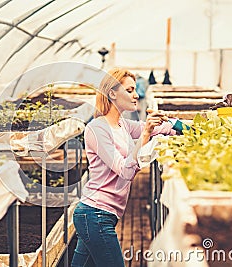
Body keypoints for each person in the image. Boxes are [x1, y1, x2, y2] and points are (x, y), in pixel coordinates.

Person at [71, 68, 176, 267]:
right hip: (95, 214)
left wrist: (188, 126)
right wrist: (144, 136)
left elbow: (160, 128)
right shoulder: (97, 129)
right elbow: (125, 171)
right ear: (112, 93)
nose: (136, 95)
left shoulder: (123, 125)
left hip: (101, 216)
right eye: (129, 90)